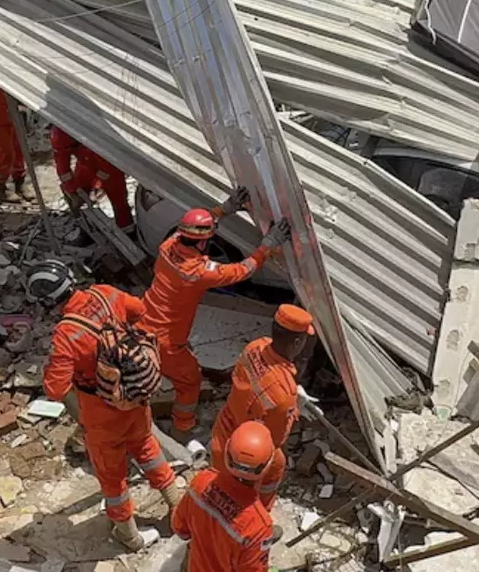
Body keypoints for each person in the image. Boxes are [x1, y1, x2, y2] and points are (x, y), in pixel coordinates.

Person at [38, 266, 185, 550]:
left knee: (112, 476)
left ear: (47, 302)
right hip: (135, 398)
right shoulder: (104, 294)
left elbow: (55, 390)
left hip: (101, 413)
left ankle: (128, 536)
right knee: (147, 448)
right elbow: (139, 309)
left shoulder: (65, 334)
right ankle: (175, 503)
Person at [140, 191, 291, 438]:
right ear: (202, 243)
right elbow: (244, 269)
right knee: (189, 382)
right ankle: (183, 428)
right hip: (167, 342)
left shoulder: (169, 245)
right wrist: (268, 246)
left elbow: (194, 227)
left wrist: (225, 209)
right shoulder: (198, 271)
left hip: (143, 323)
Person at [209, 305, 316, 510]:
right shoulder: (283, 393)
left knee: (220, 488)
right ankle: (260, 512)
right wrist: (293, 411)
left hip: (224, 430)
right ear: (297, 342)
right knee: (275, 466)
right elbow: (275, 439)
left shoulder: (256, 346)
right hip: (247, 450)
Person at [173, 422, 276, 572]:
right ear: (267, 466)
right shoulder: (258, 526)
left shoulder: (201, 481)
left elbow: (180, 528)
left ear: (227, 454)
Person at [51, 125, 134, 237]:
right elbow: (62, 164)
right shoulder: (60, 136)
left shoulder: (98, 137)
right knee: (80, 190)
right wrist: (70, 188)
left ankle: (127, 231)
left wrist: (96, 186)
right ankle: (86, 229)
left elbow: (106, 170)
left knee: (119, 201)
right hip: (85, 163)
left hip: (109, 165)